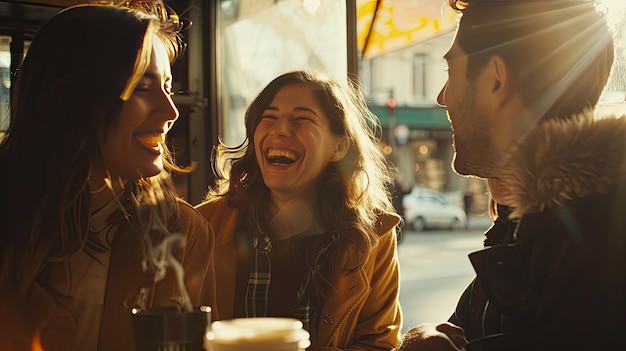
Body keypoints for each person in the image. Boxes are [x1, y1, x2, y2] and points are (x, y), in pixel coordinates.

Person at [394, 0, 626, 350]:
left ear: (495, 80)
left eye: (450, 73)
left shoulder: (585, 249)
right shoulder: (530, 226)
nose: (442, 98)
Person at [0, 2, 218, 350]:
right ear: (74, 98)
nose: (172, 111)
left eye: (168, 87)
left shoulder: (183, 232)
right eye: (144, 88)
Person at [195, 70, 402, 350]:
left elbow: (378, 343)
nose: (280, 130)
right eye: (268, 118)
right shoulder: (202, 225)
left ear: (339, 147)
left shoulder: (374, 236)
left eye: (302, 119)